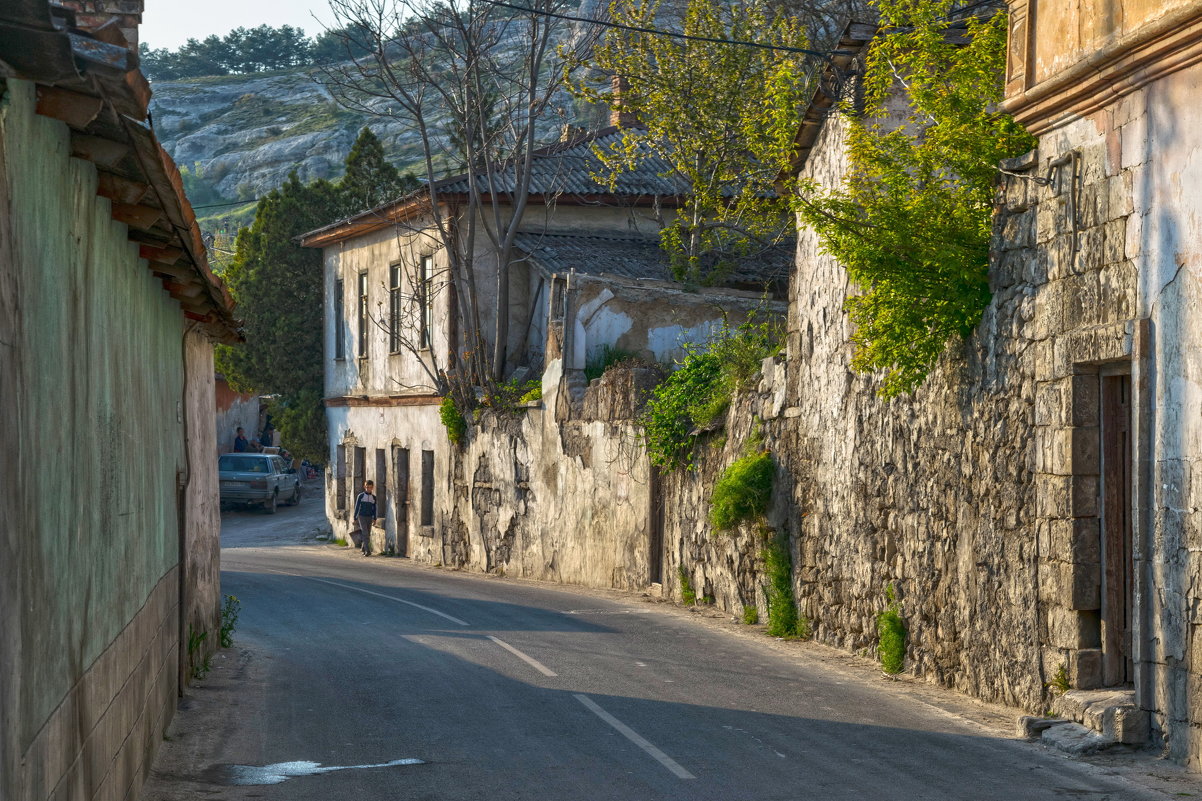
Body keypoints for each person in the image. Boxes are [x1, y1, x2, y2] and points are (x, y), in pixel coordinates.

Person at [353, 480, 377, 556]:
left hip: (369, 517)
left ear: (372, 488)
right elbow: (357, 507)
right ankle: (368, 550)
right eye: (367, 487)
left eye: (370, 487)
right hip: (361, 516)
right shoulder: (361, 496)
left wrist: (375, 518)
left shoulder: (373, 498)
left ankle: (363, 548)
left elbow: (375, 509)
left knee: (368, 534)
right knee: (365, 532)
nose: (368, 489)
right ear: (364, 487)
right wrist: (355, 518)